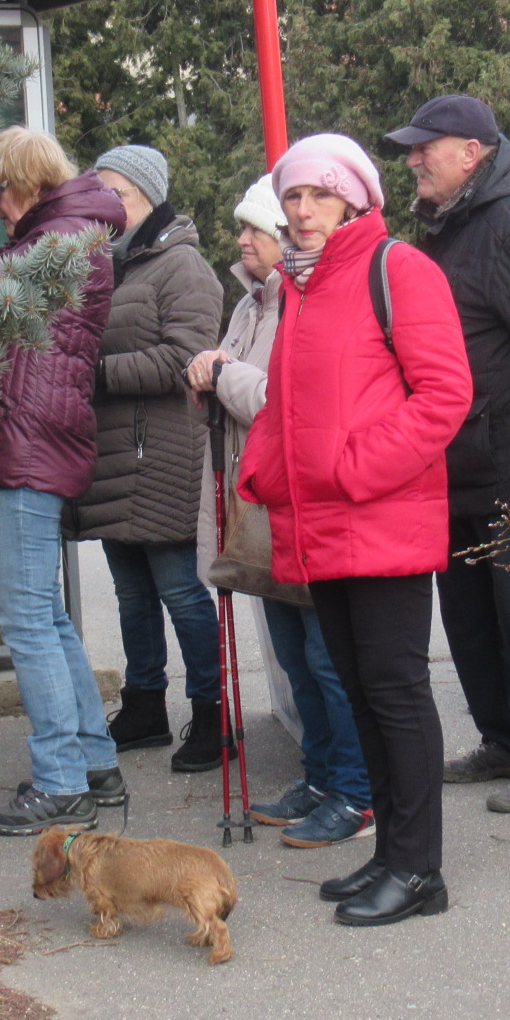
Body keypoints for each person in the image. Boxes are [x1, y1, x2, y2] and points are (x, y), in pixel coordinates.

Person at [239, 133, 471, 925]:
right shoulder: (300, 285)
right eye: (292, 198)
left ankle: (418, 871)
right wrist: (263, 474)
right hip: (320, 527)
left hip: (380, 522)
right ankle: (391, 854)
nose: (303, 211)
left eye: (318, 195)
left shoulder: (397, 268)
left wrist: (352, 469)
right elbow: (286, 402)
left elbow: (444, 395)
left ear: (354, 198)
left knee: (395, 695)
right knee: (363, 699)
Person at [385, 94, 510, 815]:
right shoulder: (448, 227)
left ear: (471, 152)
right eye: (411, 148)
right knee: (472, 623)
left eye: (425, 147)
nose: (413, 160)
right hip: (456, 466)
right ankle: (504, 741)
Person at [186, 176, 374, 849]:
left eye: (253, 229)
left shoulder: (307, 299)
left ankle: (355, 789)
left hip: (307, 501)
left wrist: (222, 373)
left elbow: (281, 398)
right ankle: (320, 775)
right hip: (260, 504)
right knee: (296, 656)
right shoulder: (251, 304)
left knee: (326, 656)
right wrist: (208, 378)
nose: (242, 241)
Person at [0, 128, 127, 836]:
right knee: (47, 616)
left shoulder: (55, 242)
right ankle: (94, 763)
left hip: (24, 444)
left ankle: (60, 783)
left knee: (27, 619)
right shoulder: (69, 233)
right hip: (36, 442)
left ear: (25, 178)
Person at [73, 146, 224, 775]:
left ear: (147, 196)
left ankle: (213, 714)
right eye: (98, 195)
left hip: (162, 455)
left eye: (117, 195)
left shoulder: (182, 266)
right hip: (113, 456)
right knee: (131, 595)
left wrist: (90, 373)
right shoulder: (109, 266)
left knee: (181, 594)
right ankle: (144, 707)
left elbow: (184, 359)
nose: (105, 209)